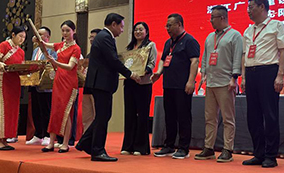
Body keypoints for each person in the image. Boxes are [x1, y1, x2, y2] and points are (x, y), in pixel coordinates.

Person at [77, 13, 140, 162]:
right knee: (103, 116)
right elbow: (113, 60)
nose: (122, 30)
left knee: (103, 116)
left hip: (101, 83)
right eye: (121, 27)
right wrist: (130, 74)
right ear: (113, 24)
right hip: (101, 84)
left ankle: (85, 142)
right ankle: (98, 151)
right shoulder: (105, 37)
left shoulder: (104, 37)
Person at [241, 0, 284, 168]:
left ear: (262, 7)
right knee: (253, 116)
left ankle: (270, 155)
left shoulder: (276, 25)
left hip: (268, 72)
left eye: (251, 7)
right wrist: (243, 77)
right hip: (251, 73)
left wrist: (280, 75)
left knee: (270, 115)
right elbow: (245, 55)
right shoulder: (248, 31)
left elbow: (283, 51)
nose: (248, 11)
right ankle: (258, 153)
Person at [196, 5, 243, 163]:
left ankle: (227, 149)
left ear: (222, 18)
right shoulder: (210, 37)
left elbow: (237, 58)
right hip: (211, 82)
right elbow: (205, 57)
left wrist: (234, 78)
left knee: (228, 118)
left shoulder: (235, 36)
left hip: (226, 82)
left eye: (213, 18)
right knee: (210, 117)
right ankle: (208, 148)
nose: (210, 21)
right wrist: (203, 74)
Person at [151, 13, 200, 159]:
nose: (167, 28)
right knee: (169, 116)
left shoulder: (190, 41)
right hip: (169, 84)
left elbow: (194, 61)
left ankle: (184, 148)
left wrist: (191, 81)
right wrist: (158, 72)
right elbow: (163, 59)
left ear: (179, 24)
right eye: (166, 25)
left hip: (182, 85)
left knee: (183, 117)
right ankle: (169, 145)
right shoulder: (168, 43)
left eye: (170, 25)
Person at [38, 20, 81, 153]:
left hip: (69, 82)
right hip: (58, 81)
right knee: (55, 111)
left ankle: (65, 143)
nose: (65, 33)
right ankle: (51, 142)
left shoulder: (76, 48)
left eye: (68, 30)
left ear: (73, 31)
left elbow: (70, 66)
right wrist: (39, 39)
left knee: (66, 112)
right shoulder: (60, 45)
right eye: (63, 31)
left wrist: (55, 62)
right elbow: (45, 44)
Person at [121, 22, 157, 156]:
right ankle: (128, 146)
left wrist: (143, 72)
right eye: (136, 30)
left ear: (146, 31)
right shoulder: (130, 48)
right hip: (130, 83)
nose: (138, 32)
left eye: (141, 29)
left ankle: (141, 147)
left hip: (143, 83)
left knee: (142, 115)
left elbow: (152, 63)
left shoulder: (150, 45)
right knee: (129, 114)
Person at [0, 26, 26, 150]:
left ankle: (5, 139)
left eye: (24, 37)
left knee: (12, 111)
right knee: (3, 109)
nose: (22, 39)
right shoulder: (4, 45)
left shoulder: (21, 52)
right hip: (4, 80)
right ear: (13, 35)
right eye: (20, 36)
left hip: (15, 82)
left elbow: (21, 68)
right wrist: (1, 64)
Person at [26, 26, 57, 146]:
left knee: (46, 110)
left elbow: (52, 65)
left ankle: (47, 135)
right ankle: (38, 134)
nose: (37, 36)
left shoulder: (52, 50)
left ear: (47, 37)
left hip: (46, 86)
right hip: (34, 83)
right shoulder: (35, 50)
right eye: (37, 33)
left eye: (40, 34)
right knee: (36, 110)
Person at [82, 28, 102, 131]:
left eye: (94, 37)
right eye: (90, 37)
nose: (91, 39)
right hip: (87, 87)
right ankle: (86, 136)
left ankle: (95, 136)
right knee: (86, 116)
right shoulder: (89, 55)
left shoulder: (102, 54)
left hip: (97, 87)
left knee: (97, 115)